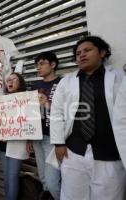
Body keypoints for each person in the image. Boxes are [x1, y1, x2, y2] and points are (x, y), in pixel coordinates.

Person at [49, 36, 126, 200]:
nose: (81, 55)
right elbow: (56, 113)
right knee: (71, 196)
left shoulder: (120, 78)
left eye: (87, 50)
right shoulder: (67, 82)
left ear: (103, 52)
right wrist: (59, 143)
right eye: (78, 53)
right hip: (74, 152)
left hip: (110, 154)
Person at [27, 52, 61, 200]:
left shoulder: (62, 84)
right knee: (44, 179)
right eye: (37, 65)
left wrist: (47, 103)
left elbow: (69, 112)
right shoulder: (35, 86)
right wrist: (28, 138)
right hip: (37, 136)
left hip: (54, 138)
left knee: (53, 182)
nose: (38, 68)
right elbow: (28, 113)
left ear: (53, 65)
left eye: (42, 64)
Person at [0, 72, 28, 200]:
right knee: (6, 177)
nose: (10, 82)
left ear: (20, 82)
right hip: (3, 144)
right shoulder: (1, 100)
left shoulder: (27, 99)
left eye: (14, 79)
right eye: (8, 80)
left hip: (17, 143)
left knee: (13, 176)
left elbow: (29, 122)